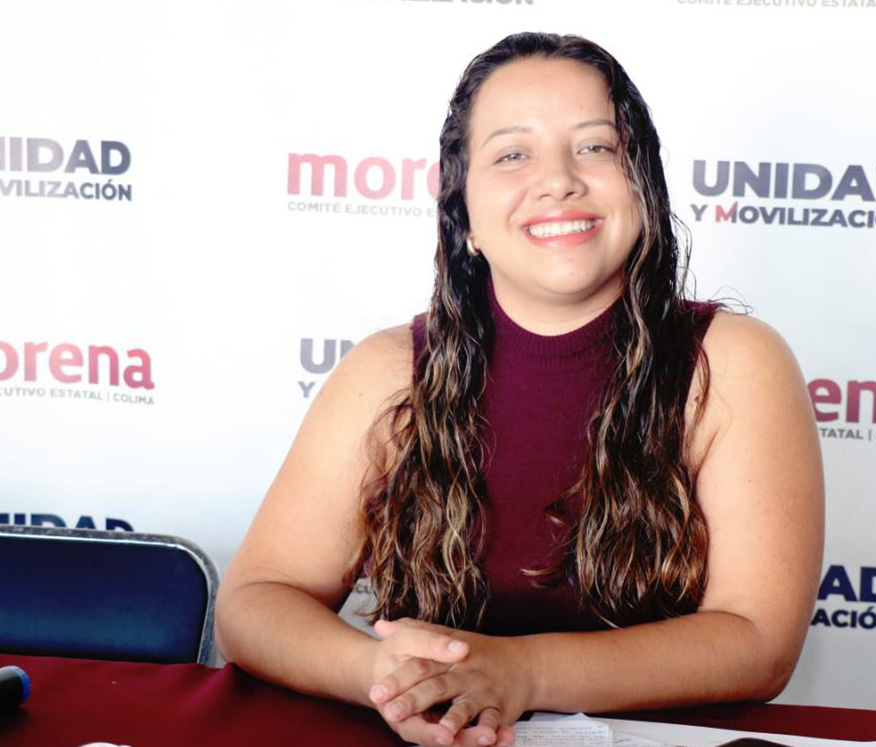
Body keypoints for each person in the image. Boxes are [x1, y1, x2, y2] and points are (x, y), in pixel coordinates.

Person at [215, 32, 823, 747]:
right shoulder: (389, 372)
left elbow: (758, 641)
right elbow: (254, 602)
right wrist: (389, 677)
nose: (558, 180)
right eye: (511, 154)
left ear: (643, 185)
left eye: (595, 146)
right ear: (464, 213)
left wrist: (522, 673)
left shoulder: (733, 362)